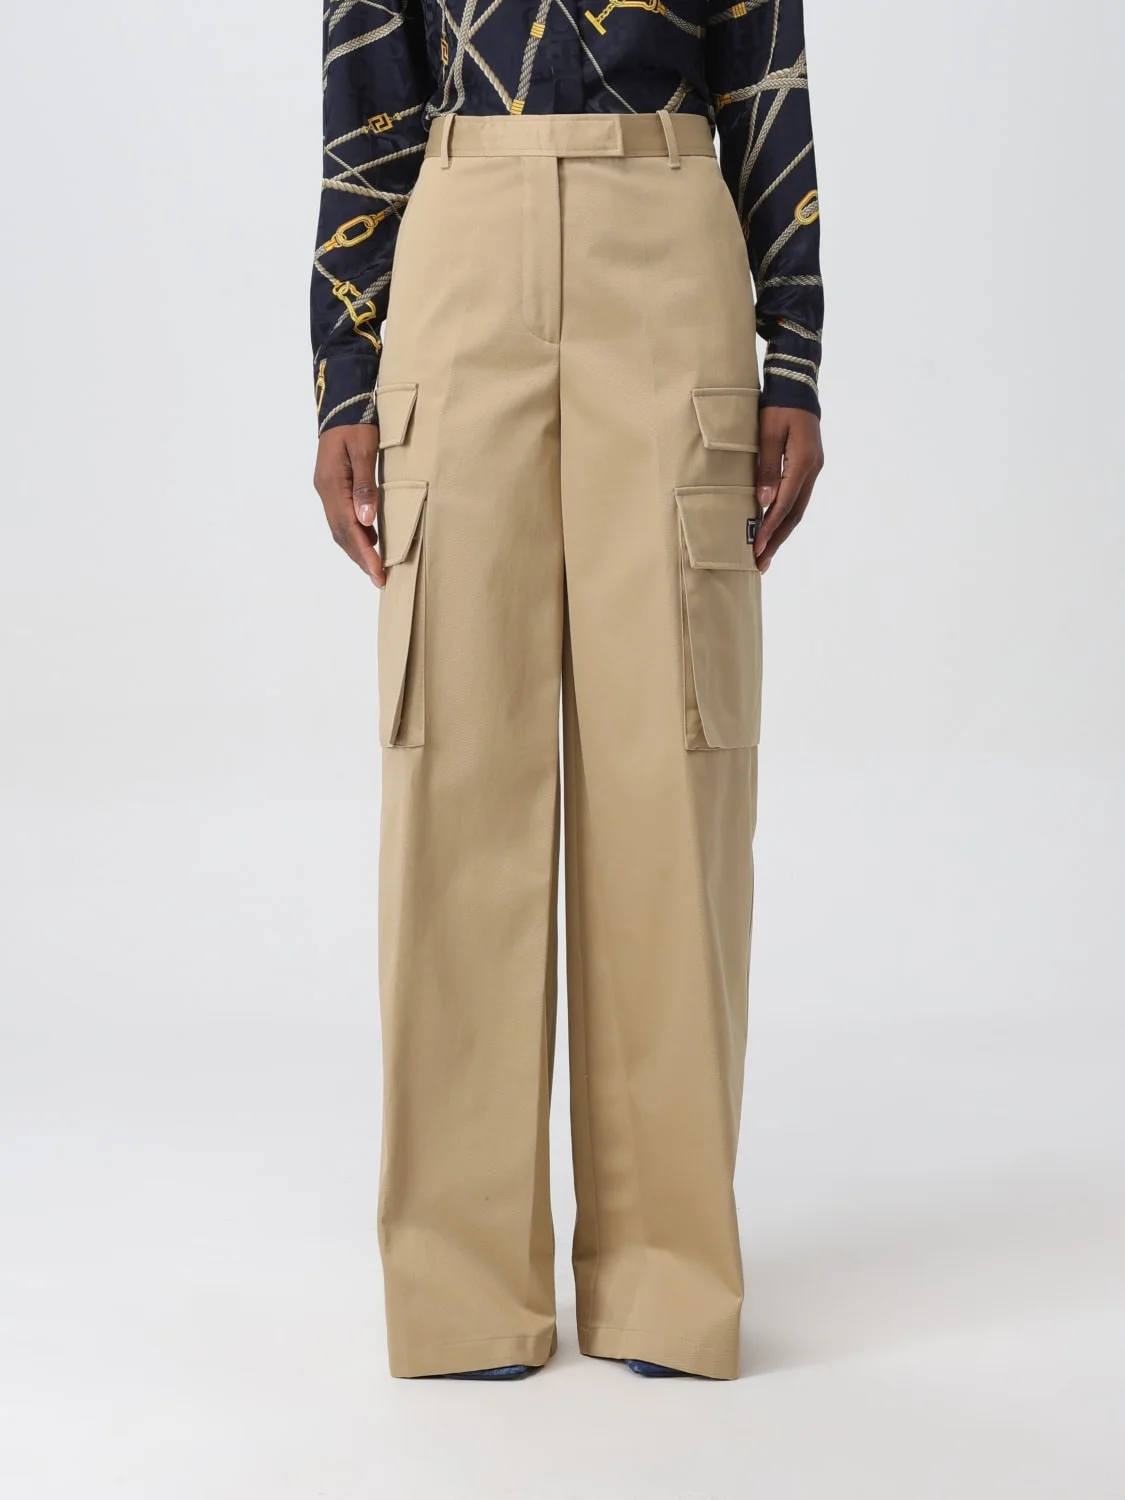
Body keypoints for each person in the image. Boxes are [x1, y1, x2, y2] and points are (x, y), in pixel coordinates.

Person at [311, 0, 824, 1382]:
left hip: (669, 232)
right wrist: (344, 380)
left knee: (674, 769)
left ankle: (667, 1278)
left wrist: (796, 351)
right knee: (453, 767)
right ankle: (460, 1289)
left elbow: (766, 69)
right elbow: (366, 85)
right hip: (460, 235)